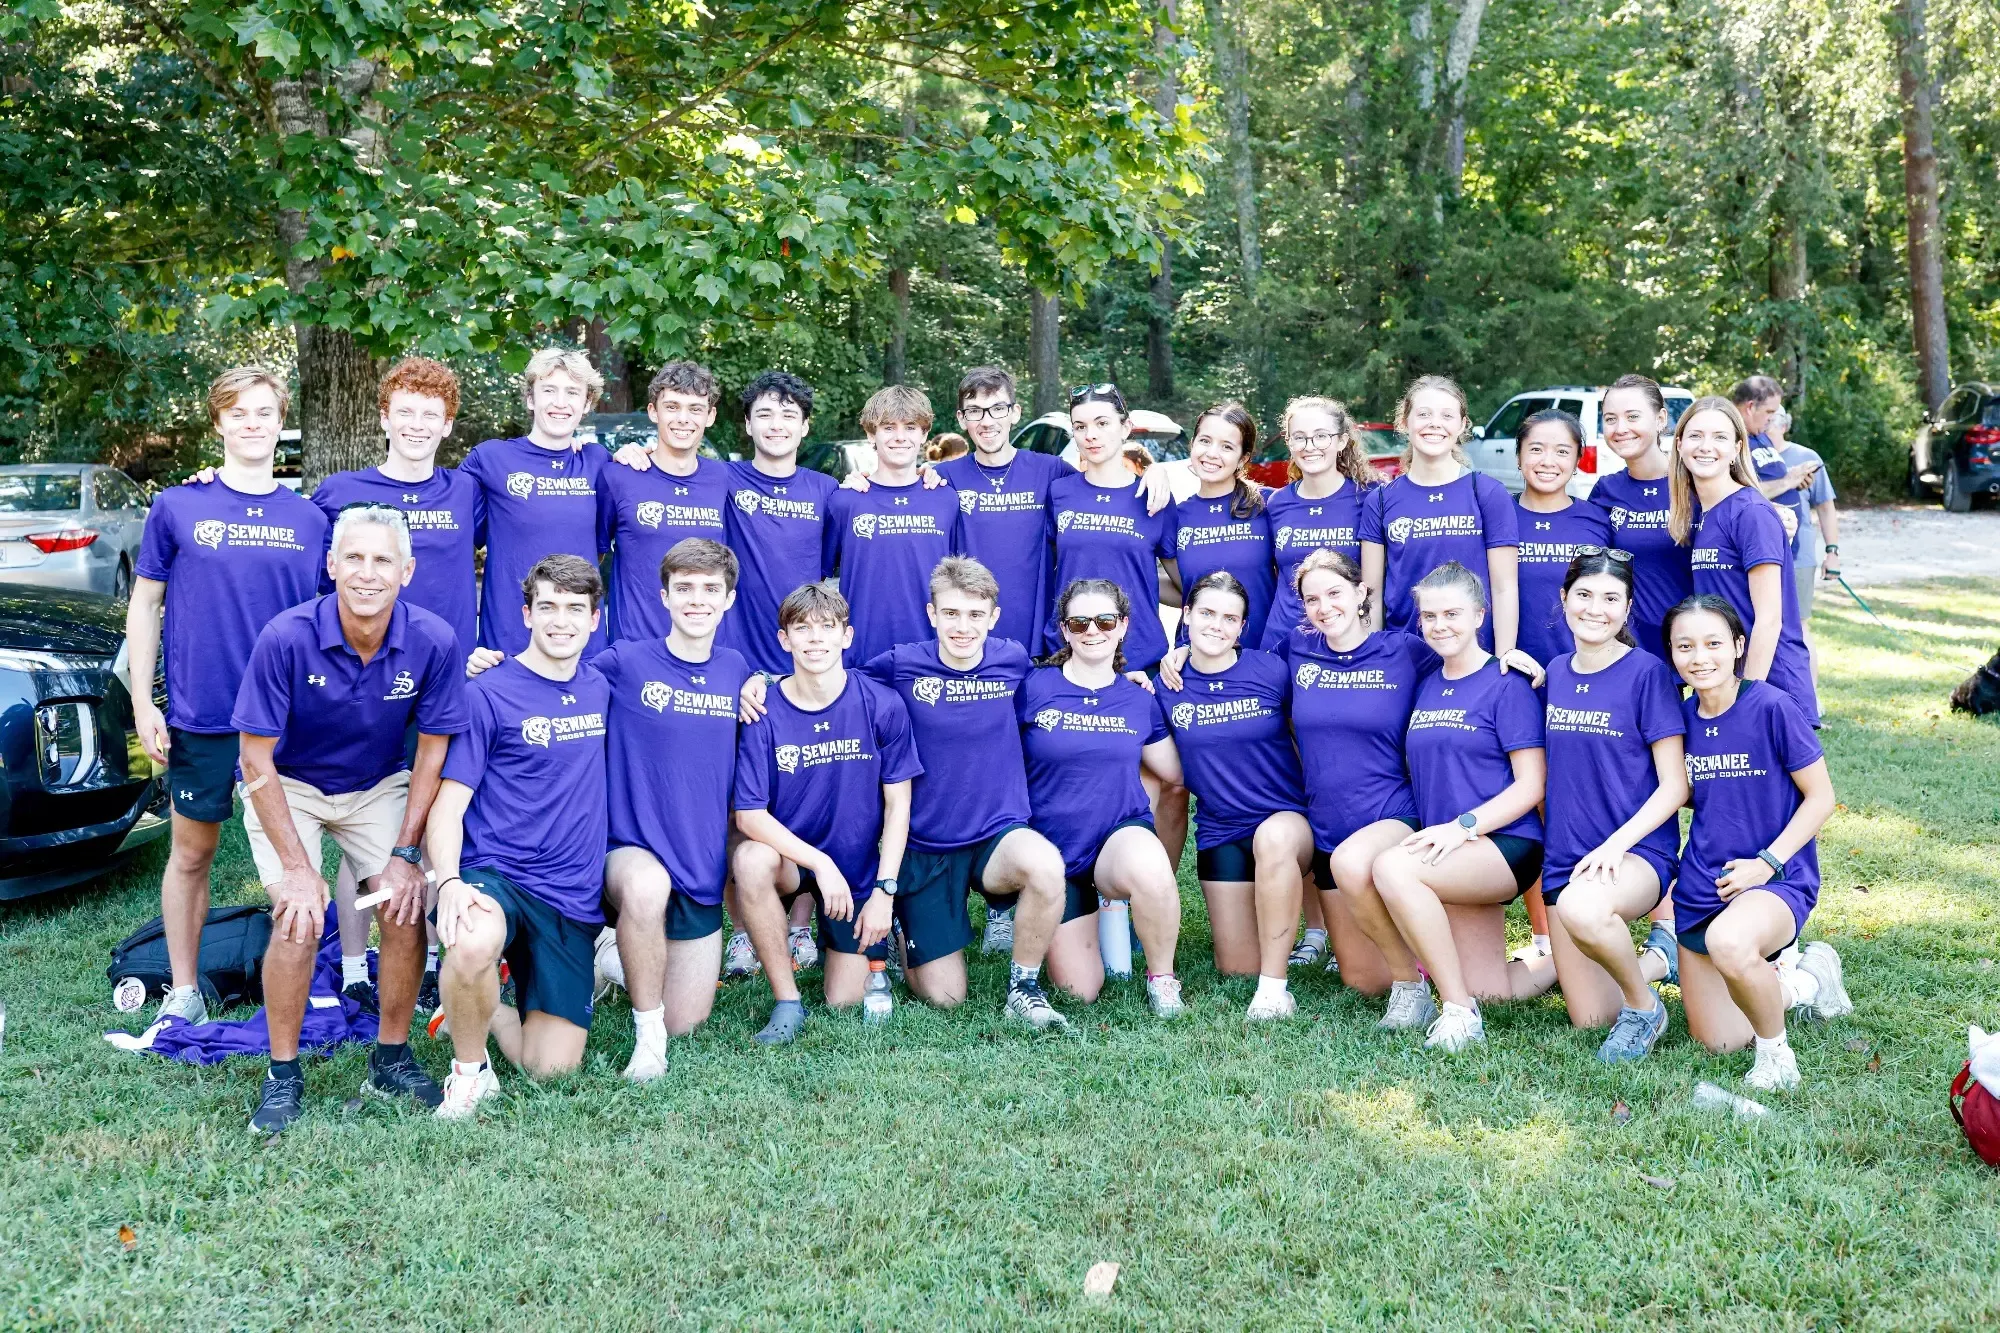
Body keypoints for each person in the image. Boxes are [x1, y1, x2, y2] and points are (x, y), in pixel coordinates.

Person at [230, 506, 467, 1131]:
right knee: (299, 918)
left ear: (407, 571)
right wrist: (298, 869)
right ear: (330, 565)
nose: (367, 573)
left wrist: (407, 854)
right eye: (353, 558)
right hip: (289, 783)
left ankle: (390, 1056)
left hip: (377, 783)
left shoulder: (435, 640)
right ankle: (282, 1075)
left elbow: (433, 752)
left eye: (383, 560)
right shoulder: (286, 636)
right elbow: (253, 756)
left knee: (402, 905)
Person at [126, 367, 328, 1029]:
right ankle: (184, 987)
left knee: (299, 859)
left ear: (280, 422)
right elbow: (146, 604)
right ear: (218, 422)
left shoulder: (309, 517)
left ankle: (305, 974)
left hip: (290, 720)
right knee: (192, 853)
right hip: (205, 715)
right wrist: (142, 703)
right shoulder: (178, 507)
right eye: (238, 413)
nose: (252, 423)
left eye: (264, 412)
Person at [309, 356, 481, 1017]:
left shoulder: (466, 491)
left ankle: (436, 956)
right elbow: (315, 583)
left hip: (442, 683)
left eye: (429, 415)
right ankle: (355, 964)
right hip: (363, 686)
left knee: (435, 820)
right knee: (360, 822)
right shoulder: (338, 492)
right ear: (383, 417)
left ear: (446, 426)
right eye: (404, 411)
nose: (415, 424)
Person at [426, 555, 612, 1118]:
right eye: (548, 607)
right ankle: (469, 1071)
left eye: (575, 608)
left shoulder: (601, 686)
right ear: (526, 614)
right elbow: (448, 807)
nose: (562, 620)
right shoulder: (488, 693)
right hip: (497, 872)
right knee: (473, 938)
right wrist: (451, 881)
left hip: (569, 893)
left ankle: (476, 1005)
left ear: (595, 619)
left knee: (550, 1069)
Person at [856, 557, 1075, 1028]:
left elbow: (1068, 676)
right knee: (945, 998)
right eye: (951, 614)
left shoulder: (1011, 659)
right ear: (932, 614)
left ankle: (1024, 988)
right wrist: (762, 684)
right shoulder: (900, 664)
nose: (963, 626)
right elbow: (838, 685)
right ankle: (903, 929)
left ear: (993, 618)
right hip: (926, 843)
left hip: (996, 833)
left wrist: (1134, 675)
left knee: (1045, 866)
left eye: (976, 615)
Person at [1668, 595, 1850, 1090]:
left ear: (1738, 647)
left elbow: (1821, 798)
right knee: (1720, 1039)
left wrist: (1766, 862)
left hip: (1776, 879)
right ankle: (1805, 981)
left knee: (1730, 942)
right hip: (1706, 884)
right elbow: (1677, 795)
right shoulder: (1679, 721)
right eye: (1685, 646)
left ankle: (1777, 1057)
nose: (1699, 657)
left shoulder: (1771, 706)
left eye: (1713, 644)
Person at [1369, 562, 1553, 1052]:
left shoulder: (1507, 682)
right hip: (1450, 852)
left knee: (1392, 869)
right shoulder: (1428, 682)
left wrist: (1464, 827)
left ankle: (1456, 1011)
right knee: (1494, 989)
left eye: (1452, 613)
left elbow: (1531, 785)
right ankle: (1565, 960)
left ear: (1479, 615)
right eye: (1429, 616)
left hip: (1504, 844)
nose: (1440, 625)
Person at [730, 582, 923, 1041]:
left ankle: (876, 931)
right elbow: (749, 817)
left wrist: (884, 891)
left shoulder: (881, 704)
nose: (815, 639)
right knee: (749, 859)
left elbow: (899, 805)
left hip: (855, 868)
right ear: (784, 640)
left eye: (826, 627)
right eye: (802, 628)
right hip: (795, 862)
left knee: (845, 998)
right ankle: (787, 1001)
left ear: (846, 636)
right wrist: (819, 862)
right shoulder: (763, 711)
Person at [593, 538, 754, 1079]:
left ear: (729, 599)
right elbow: (552, 675)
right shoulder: (625, 662)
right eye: (683, 588)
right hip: (629, 852)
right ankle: (647, 1040)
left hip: (699, 864)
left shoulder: (737, 671)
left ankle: (614, 960)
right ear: (663, 595)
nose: (697, 599)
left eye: (711, 589)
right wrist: (489, 661)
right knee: (645, 888)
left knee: (688, 1019)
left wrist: (764, 684)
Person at [1539, 551, 1688, 1061]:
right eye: (1583, 595)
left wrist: (1617, 845)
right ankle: (1658, 962)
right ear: (1564, 600)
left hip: (1636, 854)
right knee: (1591, 1017)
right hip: (1566, 858)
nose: (1595, 608)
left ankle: (1646, 1008)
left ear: (1627, 609)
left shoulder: (1647, 673)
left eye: (1610, 598)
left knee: (1585, 908)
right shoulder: (1555, 673)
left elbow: (1675, 786)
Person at [1016, 578, 1188, 1017]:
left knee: (1151, 869)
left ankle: (1163, 981)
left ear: (1123, 626)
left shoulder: (1138, 697)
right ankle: (1083, 913)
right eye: (1080, 621)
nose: (1093, 630)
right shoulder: (1033, 688)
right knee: (1080, 990)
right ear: (1064, 630)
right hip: (1053, 854)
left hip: (1117, 835)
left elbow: (1177, 772)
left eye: (1105, 620)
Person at [1274, 551, 1434, 999]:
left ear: (1362, 592)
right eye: (1312, 599)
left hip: (1393, 817)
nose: (1324, 607)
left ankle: (1412, 985)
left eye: (1334, 593)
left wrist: (1516, 663)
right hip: (1329, 828)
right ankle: (1403, 961)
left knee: (1390, 975)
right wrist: (1183, 653)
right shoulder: (1296, 649)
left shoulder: (1405, 652)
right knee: (1363, 983)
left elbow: (1468, 673)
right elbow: (1241, 673)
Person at [1156, 572, 1313, 1018]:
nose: (1216, 626)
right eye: (1206, 613)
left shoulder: (1271, 670)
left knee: (1275, 840)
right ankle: (1261, 968)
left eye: (1230, 618)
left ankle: (1273, 990)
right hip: (1222, 830)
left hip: (1286, 822)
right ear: (1185, 615)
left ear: (1242, 627)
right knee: (1236, 966)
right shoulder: (1166, 684)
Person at [1668, 397, 1819, 725]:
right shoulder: (1701, 515)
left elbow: (1769, 619)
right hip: (1726, 683)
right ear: (1679, 445)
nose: (1706, 446)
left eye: (1720, 437)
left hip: (1768, 685)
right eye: (1696, 436)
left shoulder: (1750, 512)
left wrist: (1747, 698)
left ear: (1738, 448)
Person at [458, 347, 610, 659]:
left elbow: (599, 549)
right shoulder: (490, 460)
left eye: (572, 392)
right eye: (549, 390)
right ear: (531, 398)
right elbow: (454, 537)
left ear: (586, 403)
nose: (560, 402)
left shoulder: (599, 462)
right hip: (508, 645)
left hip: (582, 648)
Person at [1361, 375, 1520, 655]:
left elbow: (1504, 588)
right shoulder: (1382, 500)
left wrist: (1501, 659)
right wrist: (1376, 658)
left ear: (1461, 425)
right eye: (1424, 414)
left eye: (1447, 415)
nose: (1435, 423)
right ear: (1404, 423)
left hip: (1473, 658)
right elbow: (1372, 597)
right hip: (1404, 657)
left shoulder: (1486, 493)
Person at [930, 366, 1074, 653]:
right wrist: (857, 481)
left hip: (1036, 644)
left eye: (997, 408)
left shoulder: (1051, 471)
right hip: (968, 641)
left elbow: (1104, 487)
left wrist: (1149, 475)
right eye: (974, 411)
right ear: (961, 419)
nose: (986, 421)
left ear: (1015, 413)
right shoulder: (943, 478)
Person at [825, 385, 966, 663]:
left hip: (933, 657)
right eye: (888, 427)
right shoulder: (844, 502)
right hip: (860, 657)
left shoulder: (946, 499)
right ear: (870, 434)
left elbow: (959, 580)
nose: (900, 437)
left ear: (924, 434)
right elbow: (815, 578)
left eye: (911, 427)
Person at [595, 362, 733, 645]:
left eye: (695, 408)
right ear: (652, 411)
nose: (683, 419)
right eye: (672, 407)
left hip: (704, 649)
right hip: (634, 650)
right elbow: (591, 557)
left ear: (710, 416)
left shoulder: (724, 478)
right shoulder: (618, 476)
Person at [1046, 385, 1181, 673]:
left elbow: (1184, 585)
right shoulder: (1059, 492)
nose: (1090, 435)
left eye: (1102, 423)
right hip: (1070, 657)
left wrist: (1140, 583)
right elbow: (1048, 571)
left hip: (1138, 659)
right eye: (1080, 426)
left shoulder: (1153, 498)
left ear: (1125, 428)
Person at [1260, 395, 1375, 651]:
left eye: (1321, 436)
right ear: (1289, 443)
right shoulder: (1275, 503)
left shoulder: (1369, 498)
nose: (1309, 446)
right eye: (1299, 437)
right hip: (1283, 642)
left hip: (1348, 641)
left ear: (1342, 440)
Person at [1590, 374, 1692, 658]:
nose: (1620, 428)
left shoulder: (1693, 483)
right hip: (1629, 647)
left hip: (1690, 646)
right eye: (1610, 419)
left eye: (1632, 416)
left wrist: (1778, 514)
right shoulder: (1605, 490)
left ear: (1660, 419)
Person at [1511, 410, 1612, 672]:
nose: (1548, 461)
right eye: (1535, 449)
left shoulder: (1598, 520)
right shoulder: (1496, 515)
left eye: (1562, 451)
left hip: (1580, 672)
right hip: (1510, 670)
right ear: (1518, 456)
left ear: (1578, 459)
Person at [1172, 404, 1278, 649]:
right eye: (1205, 441)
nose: (1211, 453)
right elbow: (1184, 586)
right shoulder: (1177, 516)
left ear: (1243, 458)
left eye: (1227, 447)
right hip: (1197, 657)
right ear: (1192, 443)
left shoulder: (1268, 505)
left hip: (1260, 654)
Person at [1767, 405, 1841, 659]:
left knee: (1798, 626)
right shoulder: (1747, 455)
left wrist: (1832, 551)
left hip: (1798, 558)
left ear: (1785, 425)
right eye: (1765, 418)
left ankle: (1809, 696)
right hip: (1755, 557)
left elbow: (1826, 507)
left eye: (1774, 420)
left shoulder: (1806, 458)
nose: (1768, 425)